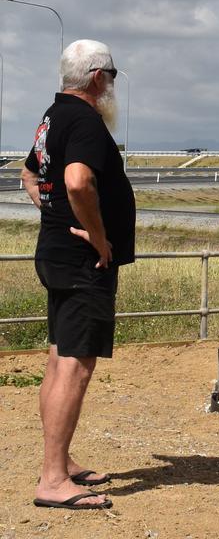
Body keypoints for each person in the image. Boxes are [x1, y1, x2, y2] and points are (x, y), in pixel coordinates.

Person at [21, 39, 135, 511]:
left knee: (58, 357)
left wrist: (53, 216)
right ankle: (52, 480)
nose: (111, 84)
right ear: (95, 77)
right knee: (75, 363)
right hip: (82, 262)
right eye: (110, 75)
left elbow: (29, 175)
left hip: (55, 253)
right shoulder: (86, 121)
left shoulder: (53, 117)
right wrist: (98, 234)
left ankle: (60, 462)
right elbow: (76, 181)